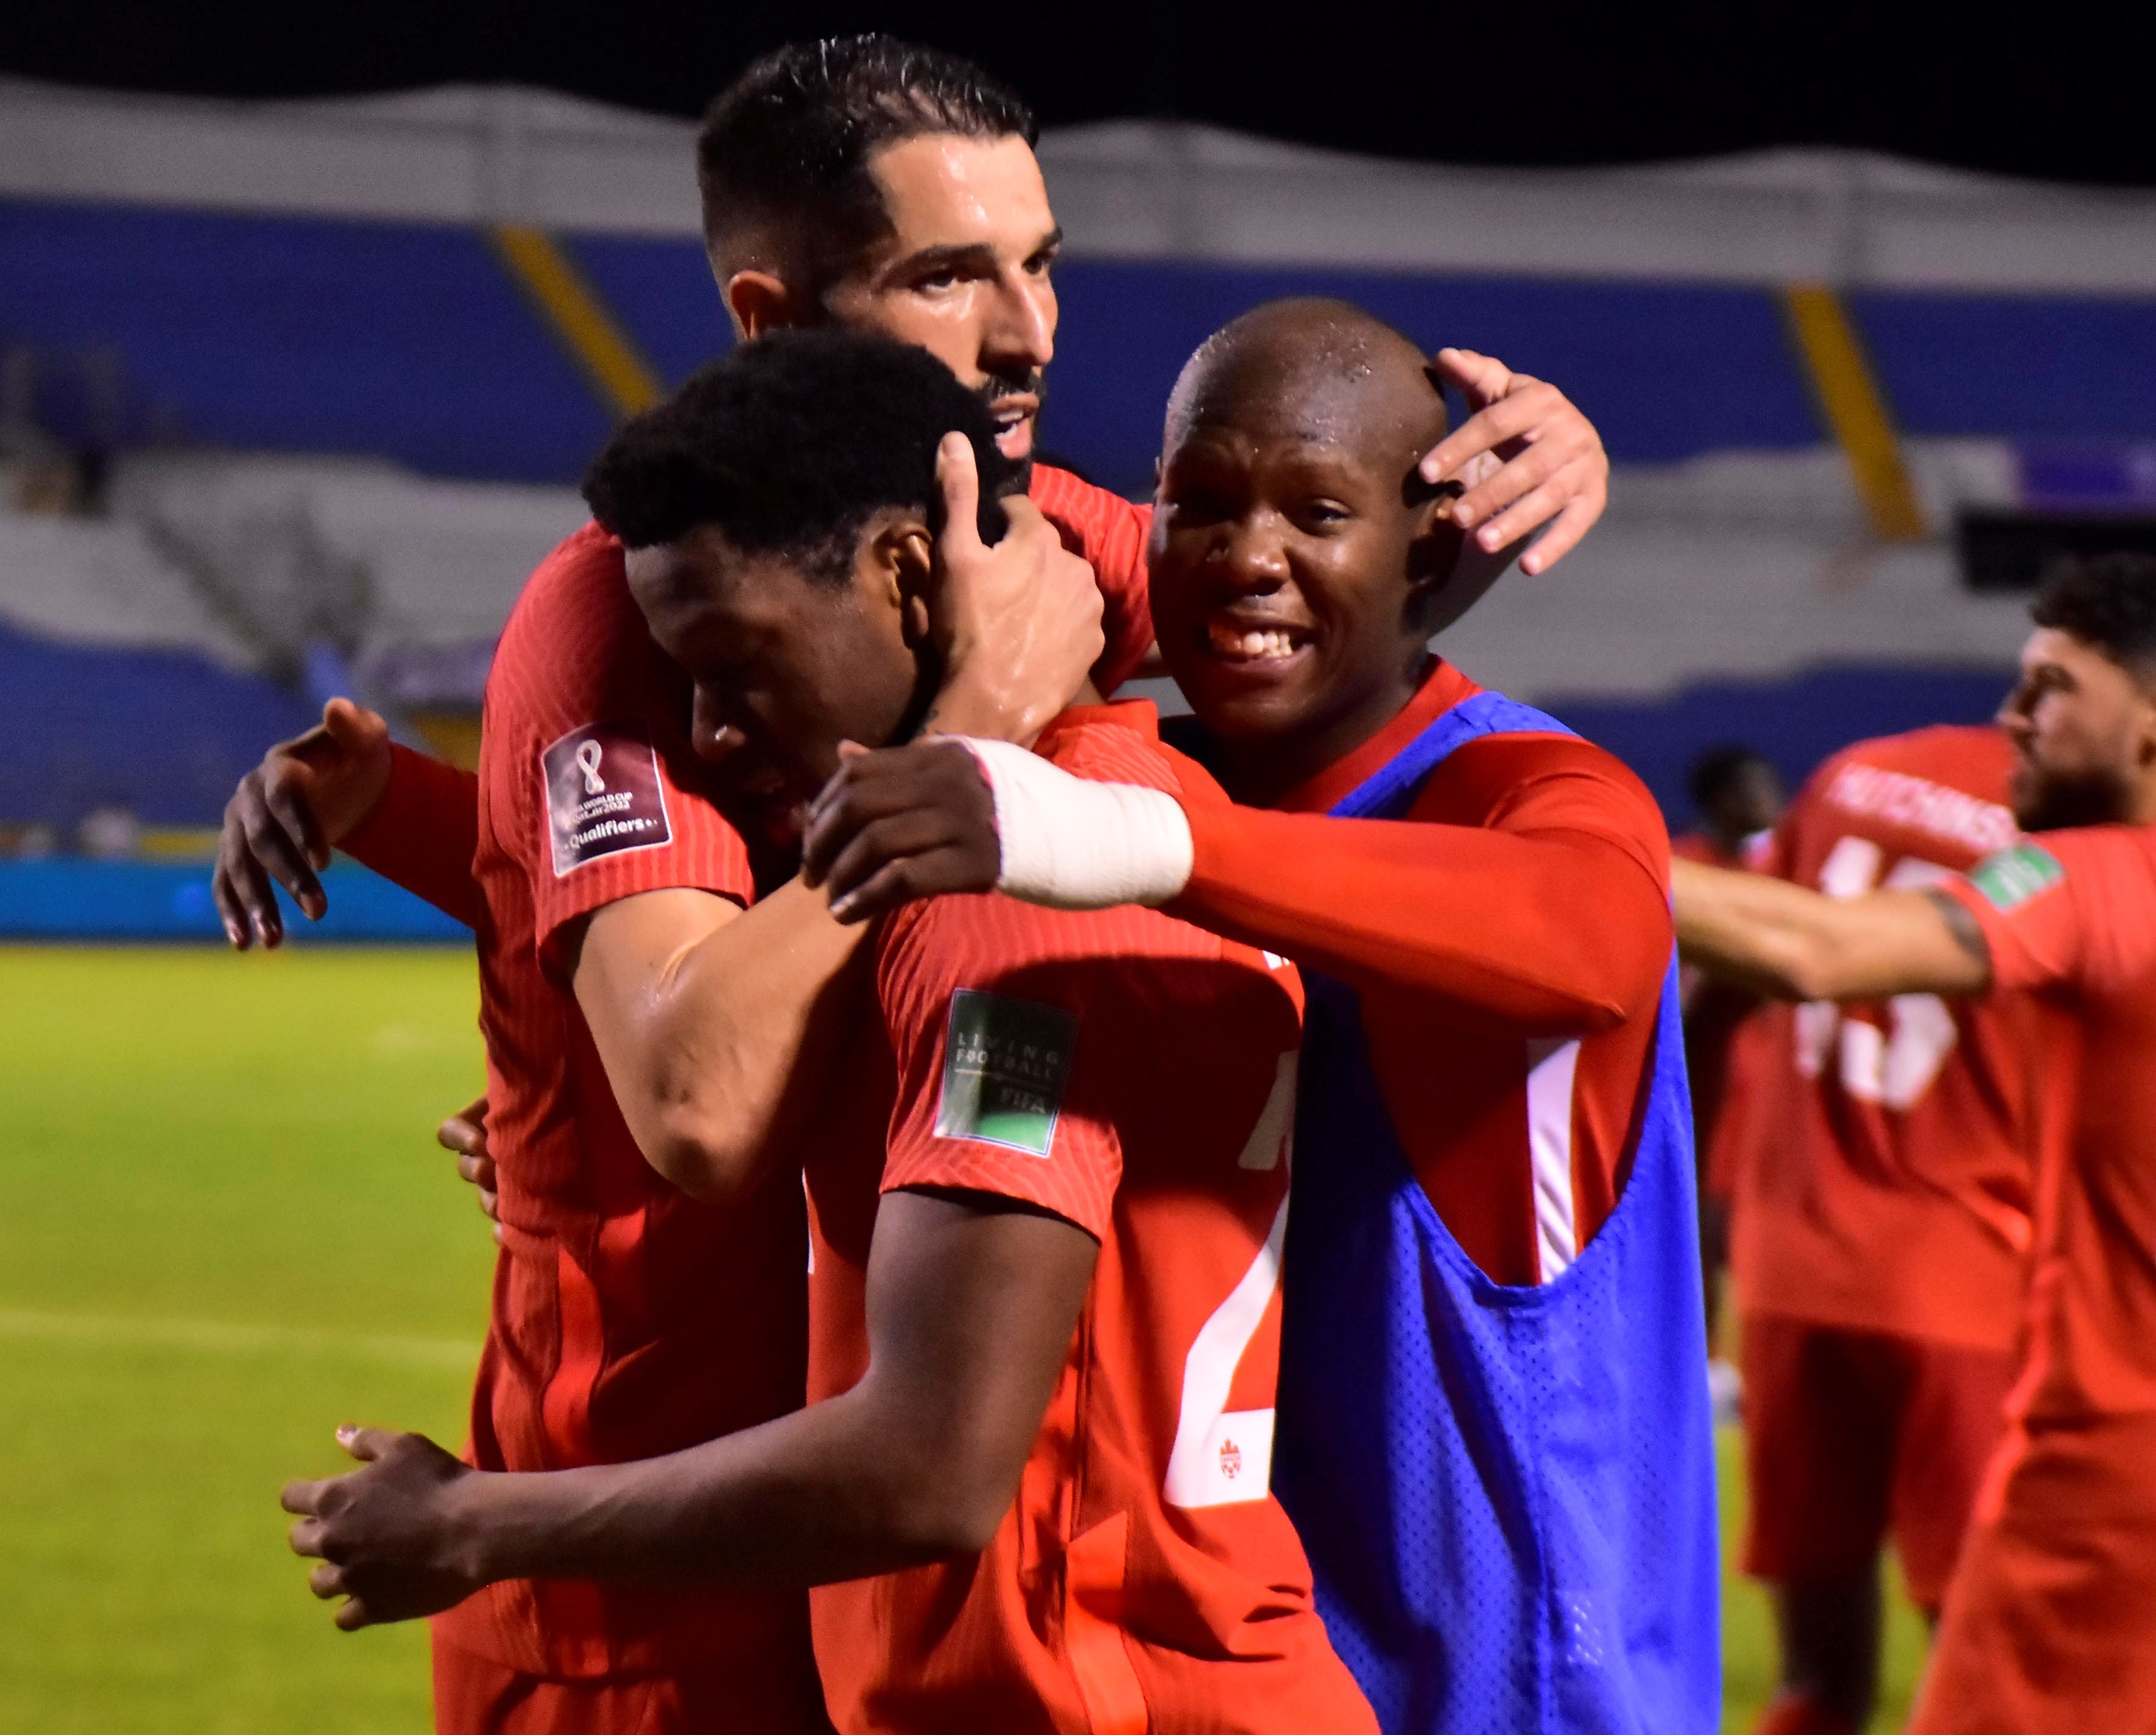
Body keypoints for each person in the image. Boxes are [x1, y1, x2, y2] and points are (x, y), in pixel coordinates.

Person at [216, 37, 1613, 1730]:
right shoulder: (630, 616)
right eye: (949, 274)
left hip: (923, 1571)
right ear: (771, 313)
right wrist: (959, 749)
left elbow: (1312, 619)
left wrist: (1491, 466)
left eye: (1039, 263)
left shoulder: (1029, 569)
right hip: (647, 1607)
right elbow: (698, 1096)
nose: (1024, 328)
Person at [288, 328, 1376, 1733]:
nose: (714, 735)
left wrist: (477, 1526)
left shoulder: (1004, 919)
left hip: (1095, 1703)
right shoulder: (1123, 824)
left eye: (739, 663)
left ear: (910, 577)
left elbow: (930, 1463)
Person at [795, 297, 1718, 1734]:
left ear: (1433, 543)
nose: (1247, 557)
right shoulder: (1125, 782)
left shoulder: (1524, 792)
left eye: (1319, 510)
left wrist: (1175, 847)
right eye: (1201, 506)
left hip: (1512, 1674)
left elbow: (1595, 941)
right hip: (1246, 1653)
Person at [1667, 555, 2156, 1735]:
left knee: (1830, 1670)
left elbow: (1818, 952)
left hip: (2116, 1483)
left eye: (2053, 686)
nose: (2012, 714)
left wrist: (1580, 854)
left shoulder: (2101, 873)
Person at [1723, 723, 2032, 1735]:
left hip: (1790, 1268)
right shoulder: (2062, 835)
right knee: (1985, 1664)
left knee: (1814, 1675)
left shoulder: (1853, 770)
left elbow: (1744, 956)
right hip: (1965, 1276)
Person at [1671, 744, 1785, 1374]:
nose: (1768, 799)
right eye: (1751, 788)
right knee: (1703, 1214)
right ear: (1720, 801)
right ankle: (1705, 1359)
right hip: (1703, 1074)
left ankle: (1741, 1358)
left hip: (1769, 1075)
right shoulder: (1687, 865)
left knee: (1753, 1215)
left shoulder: (1781, 866)